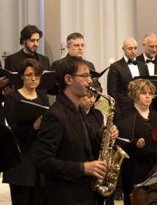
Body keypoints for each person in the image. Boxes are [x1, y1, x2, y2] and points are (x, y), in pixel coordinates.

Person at [36, 56, 118, 205]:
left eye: (90, 76)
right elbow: (43, 161)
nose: (90, 81)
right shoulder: (55, 115)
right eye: (85, 75)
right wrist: (83, 168)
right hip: (66, 196)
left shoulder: (80, 110)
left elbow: (83, 145)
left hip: (86, 194)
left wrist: (102, 136)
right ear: (68, 79)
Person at [3, 59, 49, 205]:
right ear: (21, 76)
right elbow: (13, 128)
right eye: (29, 75)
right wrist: (34, 127)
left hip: (39, 156)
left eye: (37, 75)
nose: (33, 78)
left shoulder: (43, 97)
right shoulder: (12, 98)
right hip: (21, 157)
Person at [117, 79, 157, 205]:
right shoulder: (125, 116)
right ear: (134, 95)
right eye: (143, 93)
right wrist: (135, 143)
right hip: (135, 166)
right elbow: (120, 142)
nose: (148, 96)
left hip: (155, 165)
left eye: (150, 93)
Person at [107, 38, 149, 121]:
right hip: (124, 111)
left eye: (135, 48)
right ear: (123, 49)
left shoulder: (143, 66)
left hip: (142, 110)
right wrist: (117, 115)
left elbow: (147, 88)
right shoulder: (115, 67)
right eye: (130, 49)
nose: (133, 51)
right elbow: (112, 92)